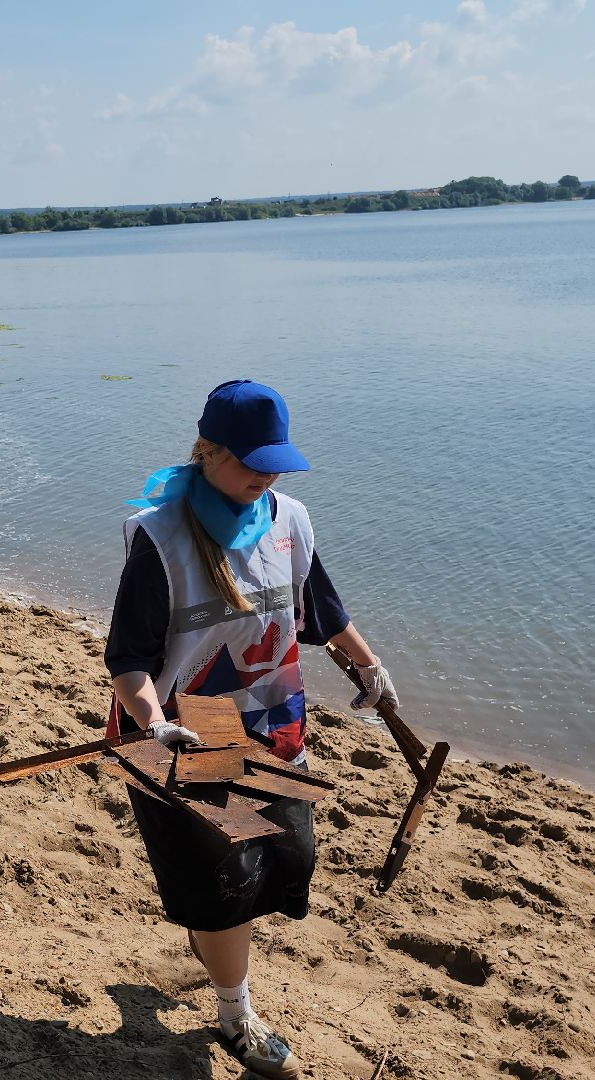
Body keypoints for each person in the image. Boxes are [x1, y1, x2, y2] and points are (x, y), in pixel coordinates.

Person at [103, 379, 399, 1080]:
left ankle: (212, 940)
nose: (267, 474)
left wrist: (371, 667)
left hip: (271, 730)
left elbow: (320, 610)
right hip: (182, 740)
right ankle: (236, 1015)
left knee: (289, 859)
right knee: (227, 877)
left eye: (277, 460)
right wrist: (157, 723)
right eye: (252, 460)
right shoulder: (162, 536)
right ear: (207, 451)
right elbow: (129, 661)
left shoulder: (289, 518)